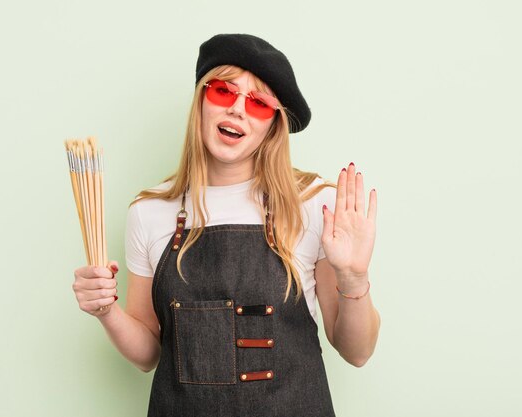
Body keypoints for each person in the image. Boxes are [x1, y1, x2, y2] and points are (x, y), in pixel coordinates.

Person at [72, 33, 380, 417]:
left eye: (258, 103)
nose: (237, 109)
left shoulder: (314, 203)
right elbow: (148, 353)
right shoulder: (150, 211)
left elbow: (358, 351)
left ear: (274, 124)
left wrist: (352, 277)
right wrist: (107, 311)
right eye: (223, 91)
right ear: (201, 99)